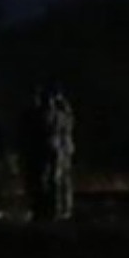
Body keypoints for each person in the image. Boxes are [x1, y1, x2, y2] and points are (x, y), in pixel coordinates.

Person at [19, 88, 54, 221]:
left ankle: (41, 210)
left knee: (40, 183)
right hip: (35, 154)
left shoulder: (40, 115)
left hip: (39, 154)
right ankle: (39, 210)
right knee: (35, 183)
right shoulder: (32, 115)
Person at [48, 88, 76, 220]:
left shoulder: (57, 116)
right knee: (64, 180)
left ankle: (59, 208)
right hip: (64, 149)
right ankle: (65, 209)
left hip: (60, 149)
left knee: (57, 180)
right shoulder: (66, 115)